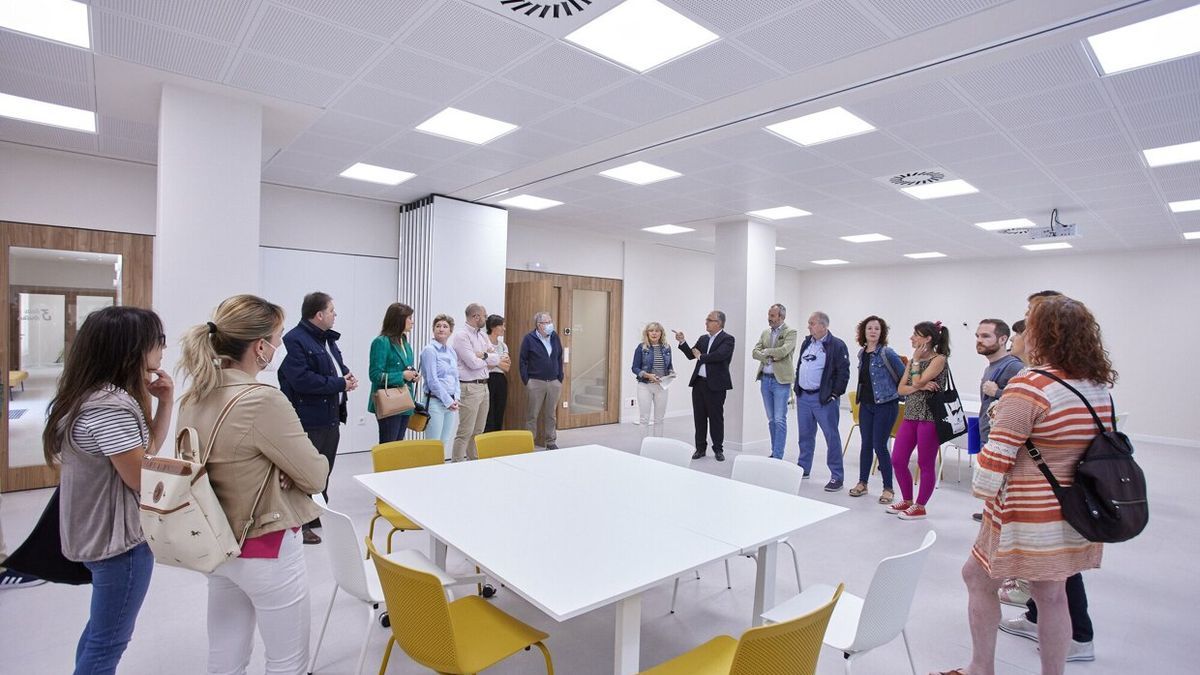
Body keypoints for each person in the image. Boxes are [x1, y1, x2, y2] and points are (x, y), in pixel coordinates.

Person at [938, 294, 1113, 675]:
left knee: (976, 576)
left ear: (1042, 336)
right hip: (1073, 510)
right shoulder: (1096, 387)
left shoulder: (1029, 386)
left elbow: (992, 463)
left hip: (1025, 512)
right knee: (1052, 593)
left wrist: (982, 486)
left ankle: (980, 667)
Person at [177, 294, 329, 675]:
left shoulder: (193, 397)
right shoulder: (262, 400)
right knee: (286, 661)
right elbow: (315, 476)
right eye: (276, 339)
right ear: (260, 347)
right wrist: (284, 469)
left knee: (225, 656)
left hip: (216, 543)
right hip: (266, 545)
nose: (278, 347)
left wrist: (275, 466)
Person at [41, 306, 172, 675]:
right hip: (120, 543)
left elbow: (144, 456)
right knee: (107, 642)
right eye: (157, 341)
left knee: (101, 633)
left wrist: (166, 402)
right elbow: (140, 477)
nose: (163, 348)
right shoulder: (109, 407)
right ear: (131, 348)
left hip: (100, 536)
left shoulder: (91, 396)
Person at [278, 291, 357, 544]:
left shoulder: (327, 340)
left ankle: (314, 514)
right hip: (308, 418)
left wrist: (346, 377)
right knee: (305, 472)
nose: (335, 315)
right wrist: (338, 383)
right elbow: (300, 379)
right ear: (319, 314)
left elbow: (336, 366)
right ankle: (300, 523)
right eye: (332, 310)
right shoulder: (294, 340)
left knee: (324, 470)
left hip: (331, 416)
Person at [888, 321, 950, 519]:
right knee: (897, 460)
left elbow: (914, 381)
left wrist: (915, 365)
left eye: (915, 334)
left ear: (928, 338)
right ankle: (906, 500)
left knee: (925, 463)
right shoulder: (914, 361)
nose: (911, 338)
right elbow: (901, 389)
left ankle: (920, 506)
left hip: (929, 418)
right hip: (910, 415)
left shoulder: (939, 359)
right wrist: (920, 386)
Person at [971, 319, 1024, 522]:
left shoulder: (1013, 367)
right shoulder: (992, 366)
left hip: (1000, 436)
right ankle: (990, 512)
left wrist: (998, 392)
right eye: (977, 336)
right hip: (987, 431)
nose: (979, 340)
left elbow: (1024, 401)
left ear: (1003, 339)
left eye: (985, 336)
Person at [849, 315, 904, 503]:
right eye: (870, 328)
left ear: (882, 333)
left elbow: (903, 376)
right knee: (866, 444)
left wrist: (897, 393)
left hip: (886, 405)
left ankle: (888, 488)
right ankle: (862, 483)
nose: (873, 331)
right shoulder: (861, 353)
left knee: (880, 445)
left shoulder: (887, 353)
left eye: (877, 329)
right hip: (866, 404)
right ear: (863, 332)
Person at [793, 311, 850, 490]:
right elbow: (800, 366)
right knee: (805, 435)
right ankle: (803, 467)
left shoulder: (837, 345)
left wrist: (834, 394)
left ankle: (837, 476)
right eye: (809, 323)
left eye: (812, 323)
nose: (809, 326)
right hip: (803, 397)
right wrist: (798, 387)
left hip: (823, 399)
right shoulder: (807, 342)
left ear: (823, 326)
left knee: (831, 437)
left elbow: (843, 372)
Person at [674, 310, 735, 461]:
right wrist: (682, 342)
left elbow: (720, 356)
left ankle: (718, 449)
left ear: (719, 323)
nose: (706, 322)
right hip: (699, 383)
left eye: (709, 320)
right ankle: (700, 448)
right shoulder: (703, 339)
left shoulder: (728, 339)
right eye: (707, 319)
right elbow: (690, 355)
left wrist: (701, 356)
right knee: (699, 418)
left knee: (716, 418)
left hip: (716, 385)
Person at [451, 303, 505, 461]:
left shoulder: (481, 335)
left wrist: (484, 356)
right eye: (485, 316)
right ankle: (457, 465)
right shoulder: (462, 336)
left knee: (478, 431)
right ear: (476, 317)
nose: (486, 318)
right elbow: (472, 363)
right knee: (465, 432)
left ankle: (473, 463)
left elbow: (497, 358)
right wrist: (487, 358)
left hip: (484, 386)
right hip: (469, 387)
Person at [367, 303, 419, 443]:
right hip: (389, 401)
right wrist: (402, 375)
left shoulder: (404, 342)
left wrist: (413, 375)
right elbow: (375, 375)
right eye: (409, 318)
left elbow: (405, 367)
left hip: (405, 400)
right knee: (388, 445)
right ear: (398, 319)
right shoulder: (381, 342)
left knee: (397, 445)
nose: (412, 321)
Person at [752, 304, 797, 460]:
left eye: (772, 315)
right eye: (769, 315)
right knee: (771, 419)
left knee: (779, 419)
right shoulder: (765, 333)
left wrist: (766, 352)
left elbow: (784, 351)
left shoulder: (791, 332)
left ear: (781, 317)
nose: (769, 318)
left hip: (781, 382)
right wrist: (768, 355)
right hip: (765, 380)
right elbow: (754, 352)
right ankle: (774, 451)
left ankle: (778, 455)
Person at [520, 311, 565, 449]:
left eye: (550, 321)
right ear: (539, 325)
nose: (550, 324)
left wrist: (559, 376)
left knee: (551, 414)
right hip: (535, 382)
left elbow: (559, 356)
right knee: (532, 415)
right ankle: (529, 442)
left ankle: (551, 441)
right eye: (546, 322)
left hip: (553, 382)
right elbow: (523, 360)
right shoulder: (529, 339)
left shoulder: (554, 337)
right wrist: (527, 381)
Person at [421, 314, 461, 454]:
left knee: (443, 444)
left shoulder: (451, 352)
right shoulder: (429, 350)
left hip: (450, 403)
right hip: (435, 402)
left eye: (445, 326)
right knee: (433, 445)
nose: (441, 329)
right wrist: (448, 401)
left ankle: (438, 474)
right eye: (438, 326)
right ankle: (427, 474)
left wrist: (456, 398)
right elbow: (432, 381)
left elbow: (456, 378)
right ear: (433, 329)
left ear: (450, 331)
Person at [631, 321, 675, 436]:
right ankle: (644, 446)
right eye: (651, 330)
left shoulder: (667, 348)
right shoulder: (641, 348)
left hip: (662, 386)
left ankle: (657, 446)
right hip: (645, 386)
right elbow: (634, 368)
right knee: (644, 419)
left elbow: (669, 366)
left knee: (659, 420)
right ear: (647, 333)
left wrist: (671, 373)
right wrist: (647, 375)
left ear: (661, 333)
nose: (654, 333)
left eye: (657, 331)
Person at [483, 314, 510, 433]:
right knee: (488, 413)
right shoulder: (483, 342)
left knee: (499, 411)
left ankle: (497, 443)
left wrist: (494, 360)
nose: (504, 328)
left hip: (501, 380)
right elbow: (485, 364)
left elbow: (507, 367)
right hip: (487, 379)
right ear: (494, 327)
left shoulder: (503, 345)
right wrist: (499, 361)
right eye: (502, 326)